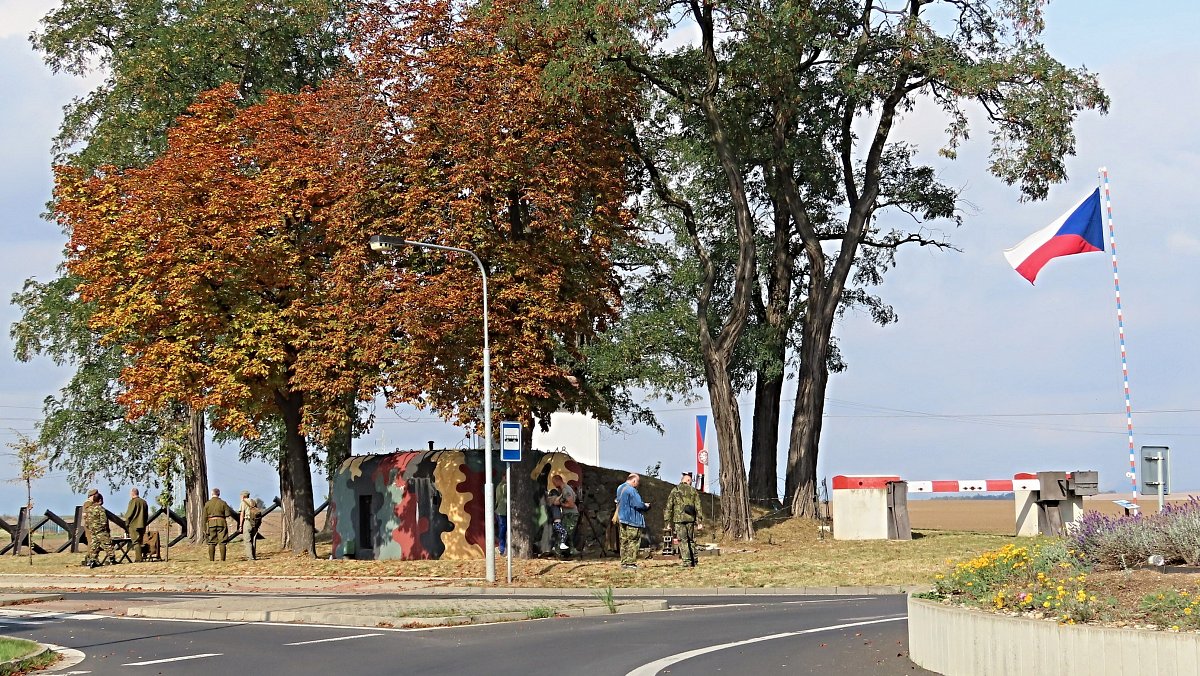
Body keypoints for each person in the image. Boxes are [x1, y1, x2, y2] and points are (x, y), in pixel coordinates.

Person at [664, 471, 704, 567]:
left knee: (683, 540)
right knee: (691, 540)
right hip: (690, 519)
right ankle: (694, 560)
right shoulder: (693, 491)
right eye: (691, 481)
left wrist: (667, 522)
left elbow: (669, 507)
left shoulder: (675, 490)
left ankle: (687, 562)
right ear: (688, 480)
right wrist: (699, 522)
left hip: (679, 520)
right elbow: (698, 506)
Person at [615, 473, 650, 569]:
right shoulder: (632, 490)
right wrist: (646, 506)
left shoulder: (620, 488)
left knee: (624, 541)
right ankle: (631, 563)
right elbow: (638, 504)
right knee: (633, 541)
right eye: (638, 482)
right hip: (632, 519)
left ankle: (624, 562)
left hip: (622, 518)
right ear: (634, 481)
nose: (638, 484)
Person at [82, 489, 115, 567]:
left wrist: (90, 527)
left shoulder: (89, 508)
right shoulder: (100, 508)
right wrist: (105, 529)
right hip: (100, 530)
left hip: (92, 530)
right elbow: (104, 521)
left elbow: (86, 520)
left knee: (94, 545)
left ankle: (92, 560)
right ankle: (111, 559)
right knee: (107, 544)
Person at [203, 488, 238, 561]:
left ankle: (211, 560)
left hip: (211, 524)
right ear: (219, 494)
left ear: (212, 494)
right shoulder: (223, 503)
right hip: (221, 523)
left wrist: (204, 528)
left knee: (211, 542)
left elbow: (204, 517)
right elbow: (227, 514)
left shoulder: (207, 503)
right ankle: (222, 560)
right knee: (222, 542)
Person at [550, 475, 578, 556]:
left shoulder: (566, 490)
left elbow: (571, 504)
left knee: (567, 533)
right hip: (568, 514)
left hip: (571, 514)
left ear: (558, 481)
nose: (554, 484)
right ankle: (569, 551)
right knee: (567, 533)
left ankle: (561, 551)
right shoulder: (563, 490)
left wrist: (561, 504)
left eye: (554, 482)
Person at [122, 487, 149, 563]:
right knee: (140, 542)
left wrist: (126, 524)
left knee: (136, 542)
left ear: (132, 493)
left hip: (134, 525)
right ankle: (143, 555)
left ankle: (138, 559)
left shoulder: (132, 502)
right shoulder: (144, 502)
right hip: (142, 525)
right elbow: (146, 515)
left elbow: (129, 515)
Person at [238, 491, 262, 560]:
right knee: (253, 539)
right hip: (255, 522)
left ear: (243, 496)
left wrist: (240, 525)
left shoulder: (243, 502)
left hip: (248, 521)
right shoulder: (253, 501)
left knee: (247, 540)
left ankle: (250, 557)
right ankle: (254, 556)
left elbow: (242, 514)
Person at [495, 476, 508, 556]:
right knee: (503, 529)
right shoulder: (504, 486)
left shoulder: (500, 486)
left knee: (503, 529)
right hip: (503, 511)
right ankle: (502, 548)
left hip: (501, 511)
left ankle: (502, 548)